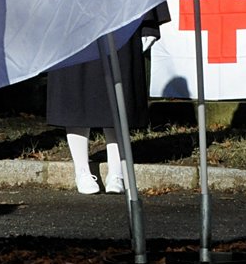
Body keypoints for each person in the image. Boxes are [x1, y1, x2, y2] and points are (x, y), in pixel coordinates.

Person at [46, 15, 160, 194]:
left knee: (118, 92)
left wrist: (148, 24)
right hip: (73, 13)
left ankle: (116, 171)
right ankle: (82, 170)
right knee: (75, 88)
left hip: (120, 15)